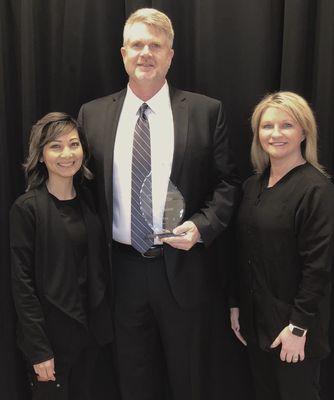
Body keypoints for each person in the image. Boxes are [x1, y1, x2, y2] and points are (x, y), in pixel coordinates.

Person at [78, 7, 239, 400]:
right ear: (122, 54)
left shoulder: (205, 111)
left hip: (183, 271)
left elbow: (228, 183)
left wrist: (202, 226)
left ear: (170, 55)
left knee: (189, 380)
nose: (145, 53)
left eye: (155, 45)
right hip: (122, 273)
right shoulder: (92, 115)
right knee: (132, 381)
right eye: (137, 45)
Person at [230, 91, 334, 400]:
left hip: (293, 334)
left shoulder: (316, 190)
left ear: (304, 132)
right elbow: (242, 253)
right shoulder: (252, 186)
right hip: (255, 327)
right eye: (267, 126)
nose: (275, 134)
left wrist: (298, 328)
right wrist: (236, 304)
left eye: (286, 125)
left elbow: (319, 266)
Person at [10, 112, 113, 400]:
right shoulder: (26, 209)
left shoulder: (90, 202)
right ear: (41, 155)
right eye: (55, 146)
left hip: (93, 339)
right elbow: (23, 286)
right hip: (52, 345)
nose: (67, 153)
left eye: (73, 144)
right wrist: (38, 350)